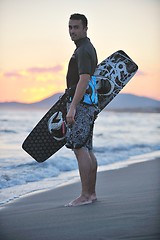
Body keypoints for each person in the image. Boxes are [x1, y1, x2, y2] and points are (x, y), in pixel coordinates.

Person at [65, 13, 98, 207]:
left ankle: (85, 195)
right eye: (70, 27)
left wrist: (73, 107)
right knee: (87, 148)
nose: (72, 31)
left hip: (82, 105)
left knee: (79, 148)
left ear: (85, 28)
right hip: (89, 103)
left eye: (76, 27)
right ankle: (91, 194)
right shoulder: (85, 48)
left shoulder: (84, 49)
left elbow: (84, 79)